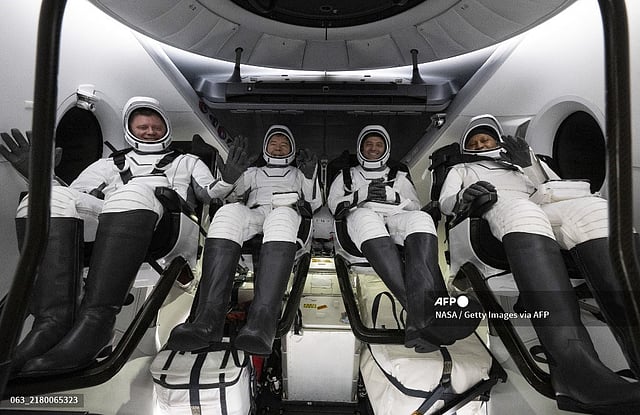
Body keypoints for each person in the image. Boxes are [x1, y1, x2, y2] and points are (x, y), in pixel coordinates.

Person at [0, 96, 245, 375]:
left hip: (170, 228)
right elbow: (74, 196)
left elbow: (208, 193)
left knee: (132, 192)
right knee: (44, 199)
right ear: (130, 129)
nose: (150, 131)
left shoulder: (186, 161)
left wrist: (228, 179)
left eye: (156, 127)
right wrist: (43, 178)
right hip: (114, 220)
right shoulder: (107, 164)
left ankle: (98, 323)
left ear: (166, 128)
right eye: (143, 127)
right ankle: (52, 321)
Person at [438, 114, 640, 413]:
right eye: (474, 141)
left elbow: (552, 186)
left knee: (598, 211)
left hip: (547, 202)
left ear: (497, 140)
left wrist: (528, 164)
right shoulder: (462, 168)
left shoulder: (524, 160)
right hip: (502, 206)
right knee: (524, 212)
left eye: (486, 138)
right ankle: (577, 374)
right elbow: (446, 204)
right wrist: (465, 195)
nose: (480, 144)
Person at [166, 124, 321, 356]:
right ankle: (207, 320)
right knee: (227, 213)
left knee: (281, 216)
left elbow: (314, 203)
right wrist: (230, 176)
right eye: (274, 144)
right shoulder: (254, 172)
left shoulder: (298, 174)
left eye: (284, 144)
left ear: (292, 149)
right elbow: (231, 196)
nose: (278, 148)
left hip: (286, 213)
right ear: (266, 147)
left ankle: (262, 324)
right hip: (255, 212)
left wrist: (309, 177)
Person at [327, 125, 481, 353]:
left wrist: (394, 196)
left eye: (379, 144)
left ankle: (421, 321)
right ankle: (432, 316)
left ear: (386, 149)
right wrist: (361, 195)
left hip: (395, 215)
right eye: (369, 144)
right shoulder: (346, 176)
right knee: (367, 217)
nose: (373, 148)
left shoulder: (398, 176)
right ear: (360, 148)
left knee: (421, 218)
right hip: (360, 217)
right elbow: (333, 205)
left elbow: (414, 206)